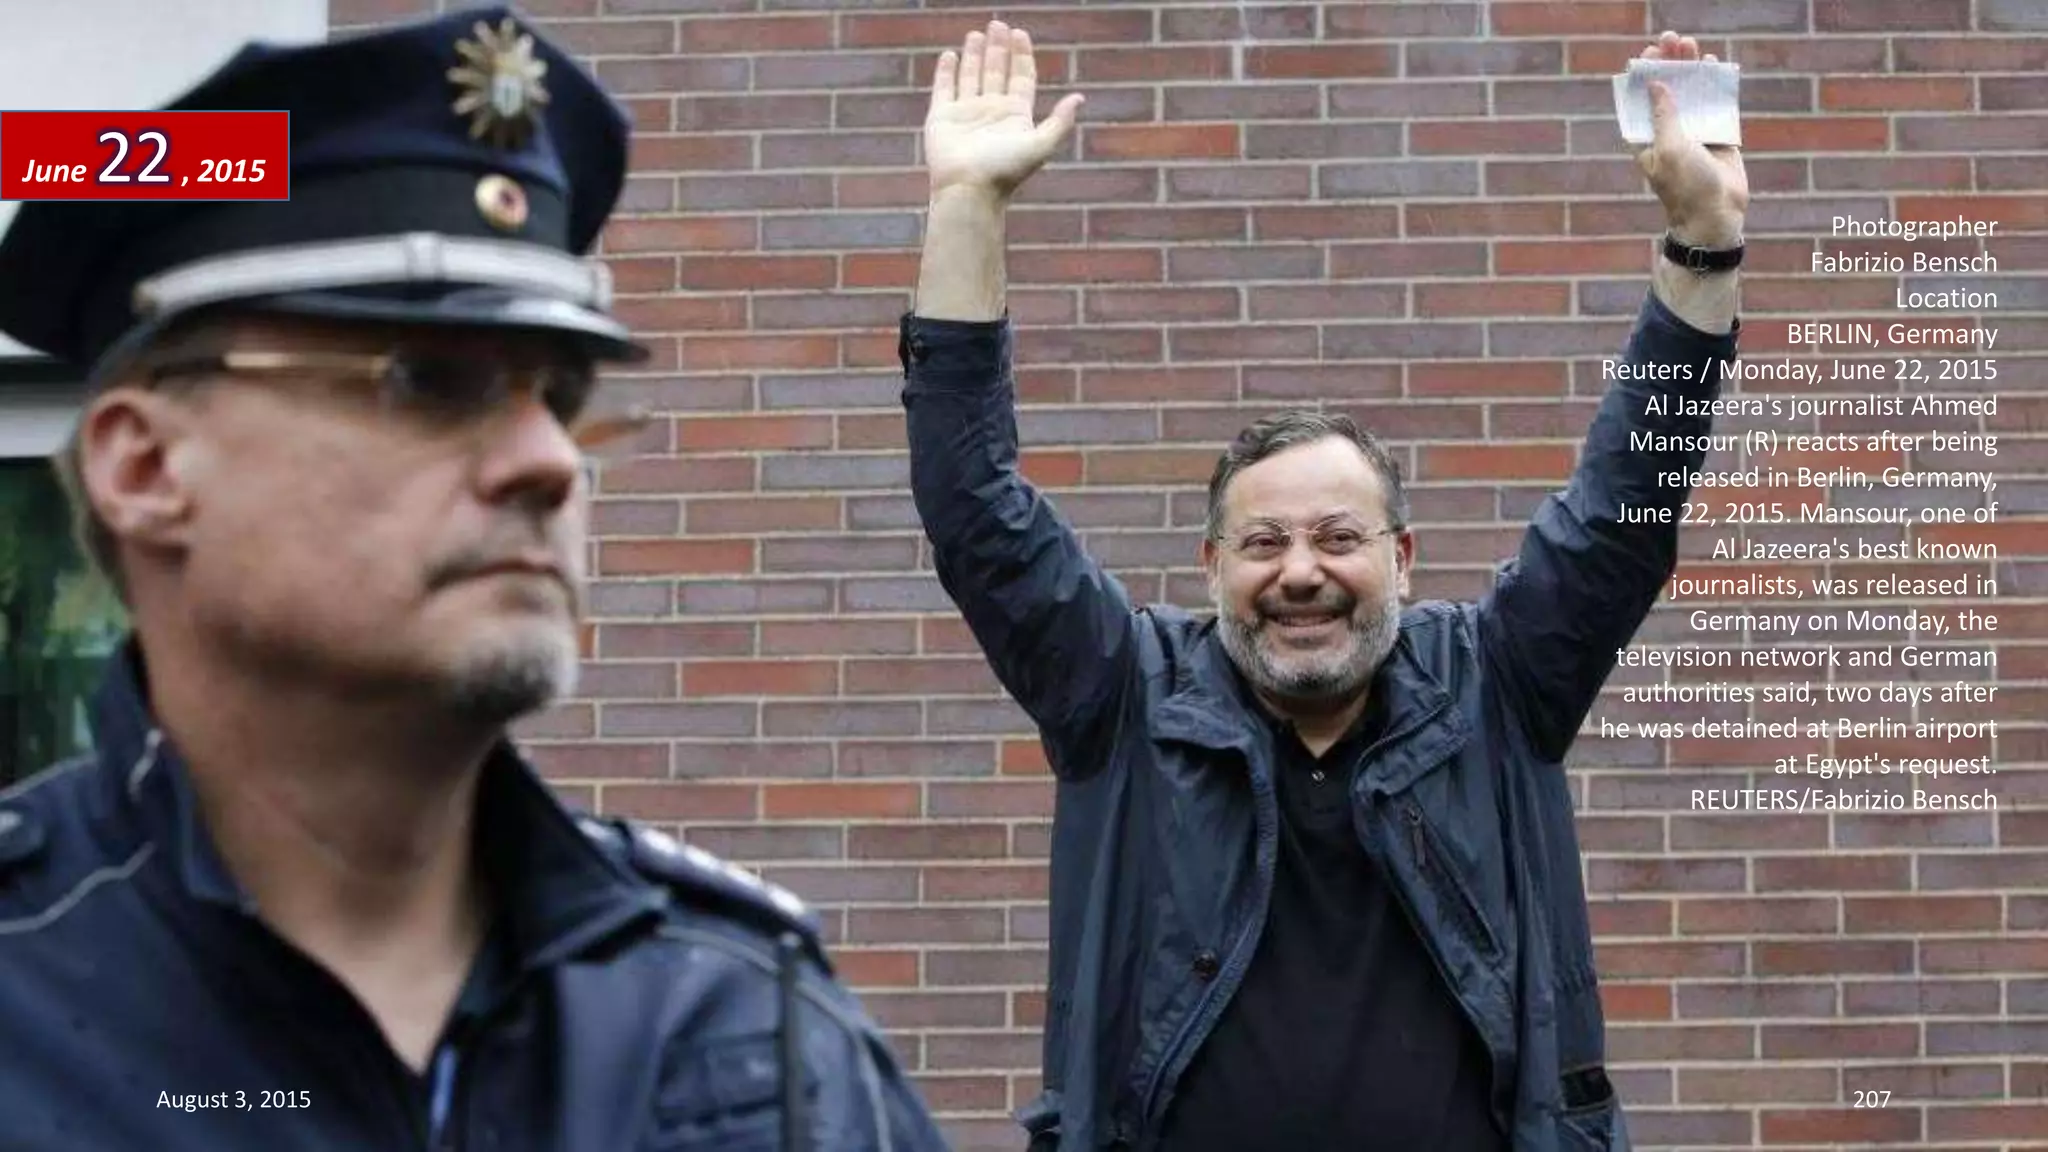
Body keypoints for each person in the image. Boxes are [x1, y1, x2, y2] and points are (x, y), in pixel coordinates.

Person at [0, 10, 945, 1151]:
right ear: (147, 469)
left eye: (559, 397)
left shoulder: (750, 1023)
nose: (550, 462)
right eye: (428, 380)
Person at [902, 21, 1746, 1152]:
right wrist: (966, 205)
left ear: (1402, 558)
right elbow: (974, 511)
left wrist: (1701, 245)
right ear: (1212, 569)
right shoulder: (1125, 696)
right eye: (1263, 543)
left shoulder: (1497, 686)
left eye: (1338, 538)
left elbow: (1620, 510)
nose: (1300, 572)